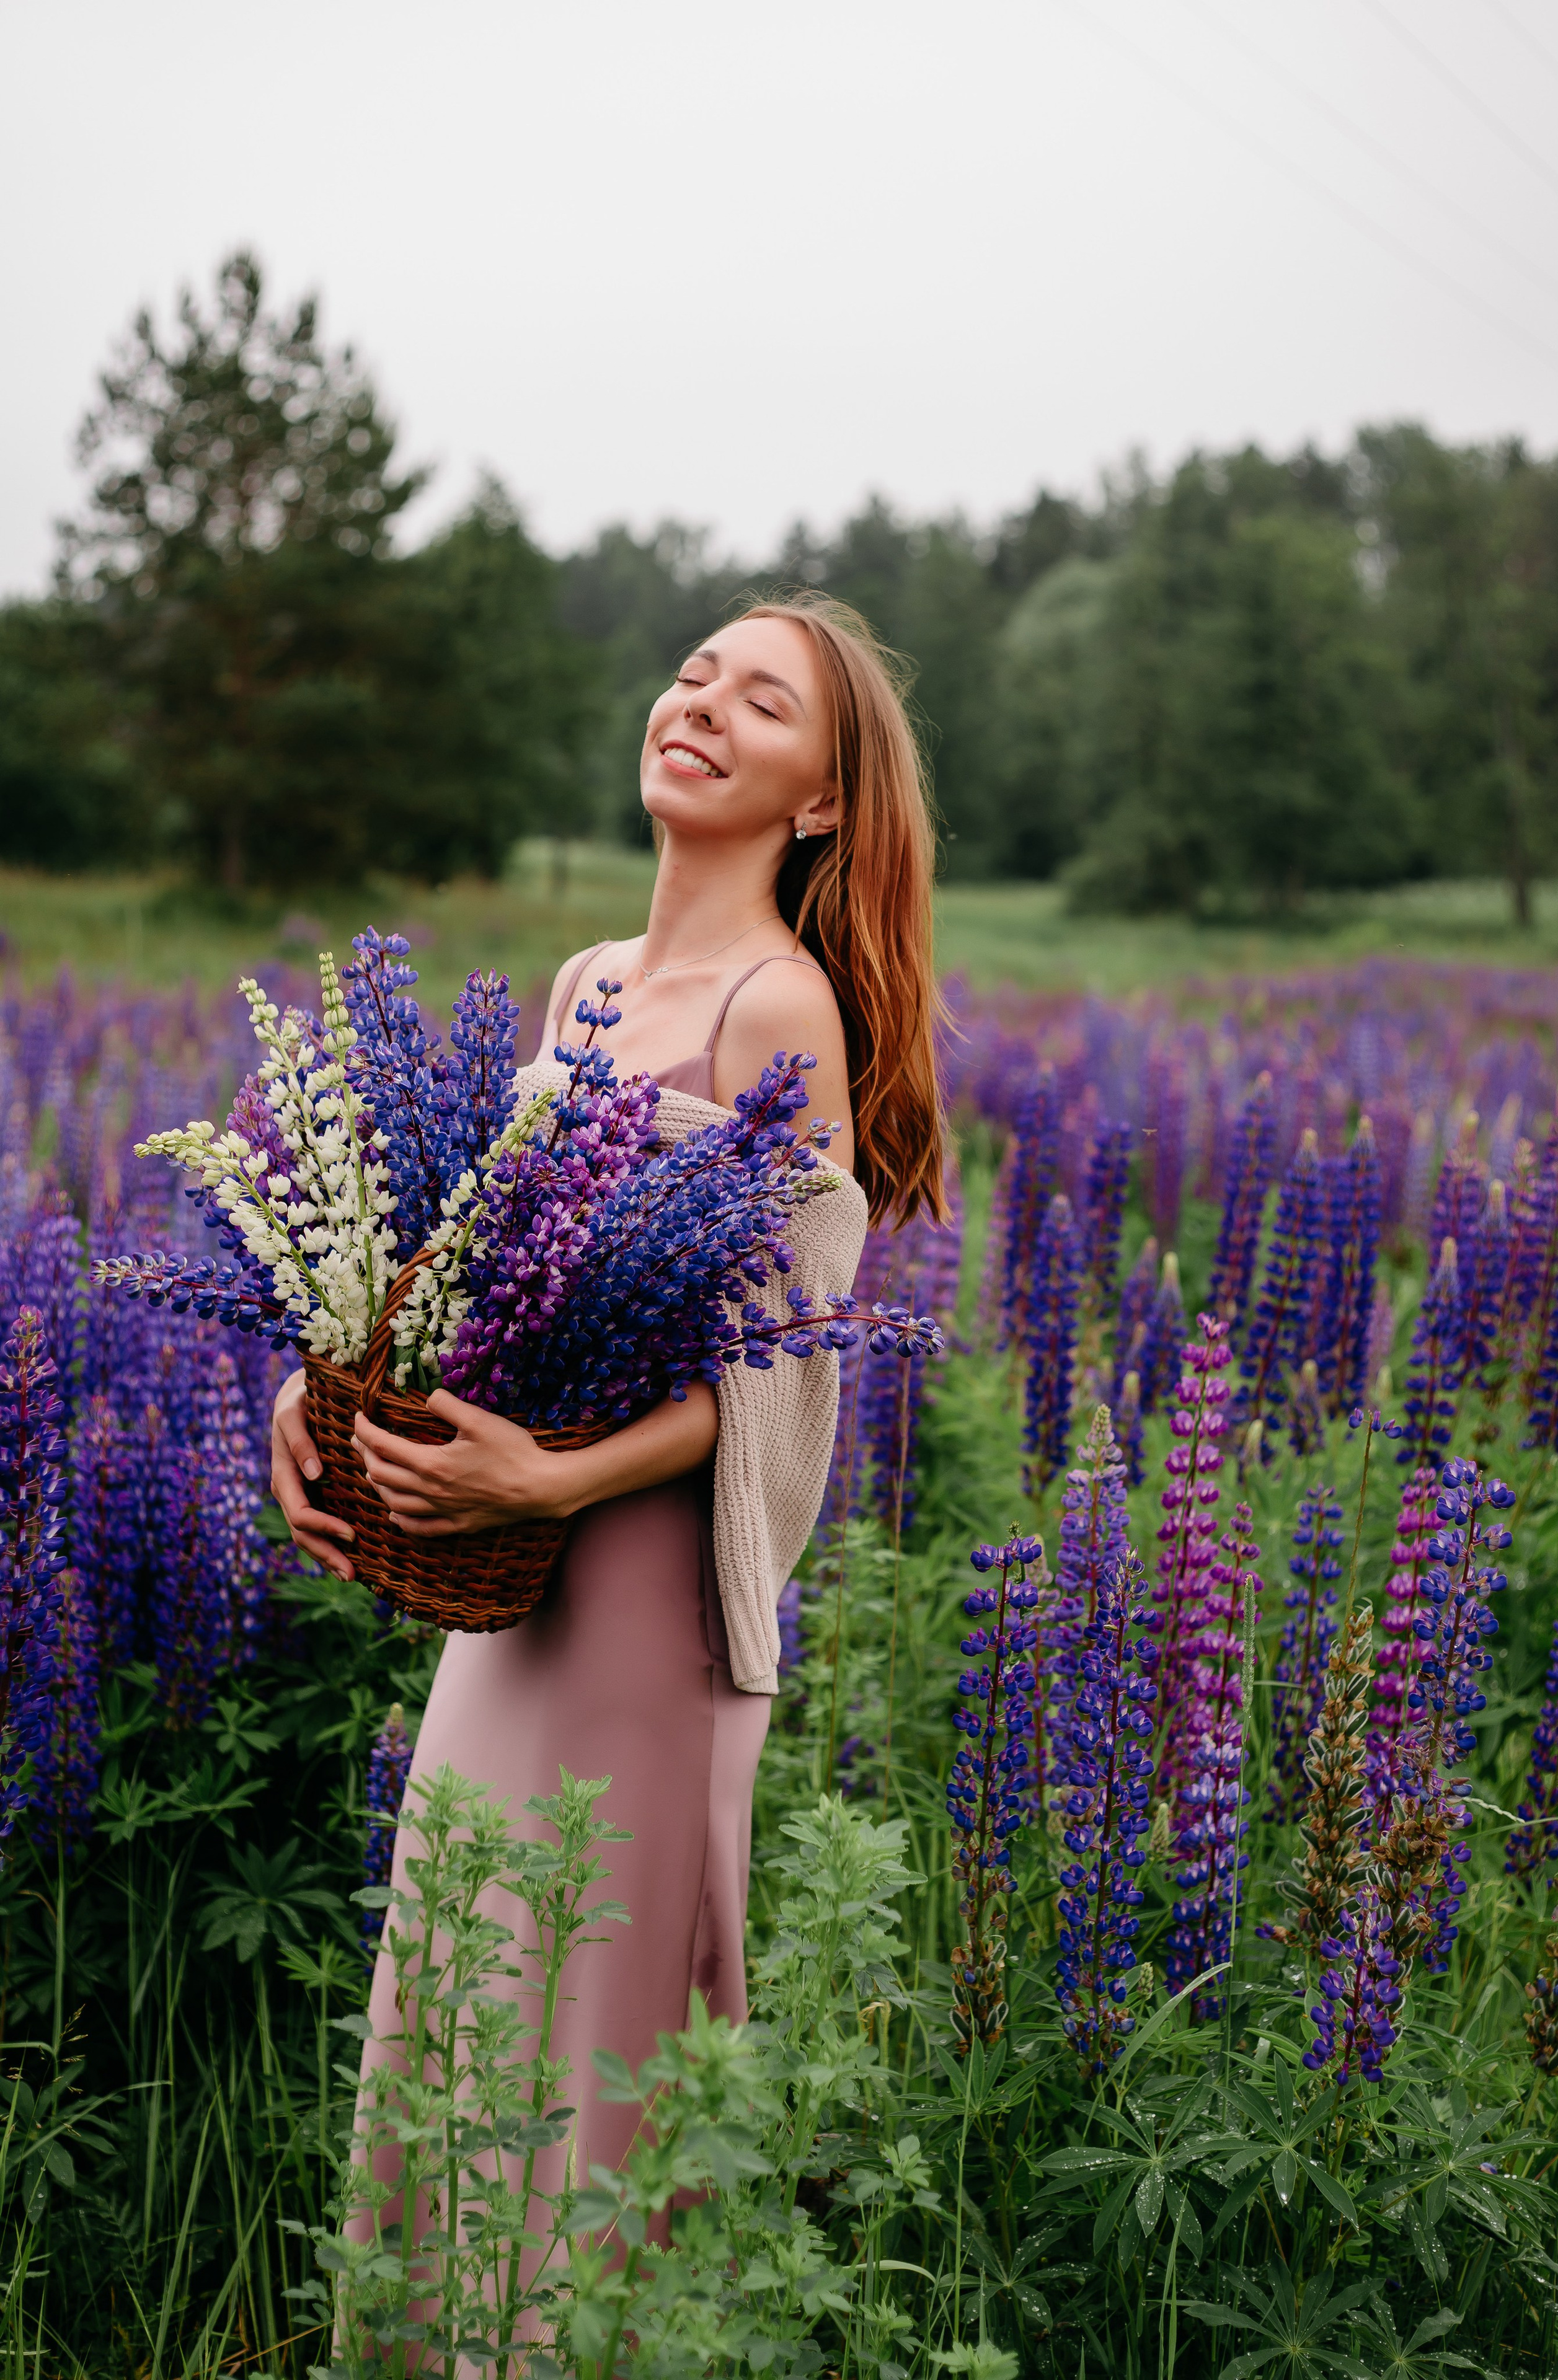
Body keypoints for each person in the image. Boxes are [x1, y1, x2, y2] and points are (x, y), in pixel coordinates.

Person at [268, 591, 945, 2206]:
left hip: (645, 1591)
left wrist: (557, 1487)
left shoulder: (772, 1010)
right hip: (513, 1591)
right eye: (696, 672)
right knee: (458, 1977)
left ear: (824, 801)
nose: (701, 702)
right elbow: (479, 1289)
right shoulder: (586, 980)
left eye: (762, 703)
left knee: (590, 2031)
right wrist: (324, 1387)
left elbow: (787, 1365)